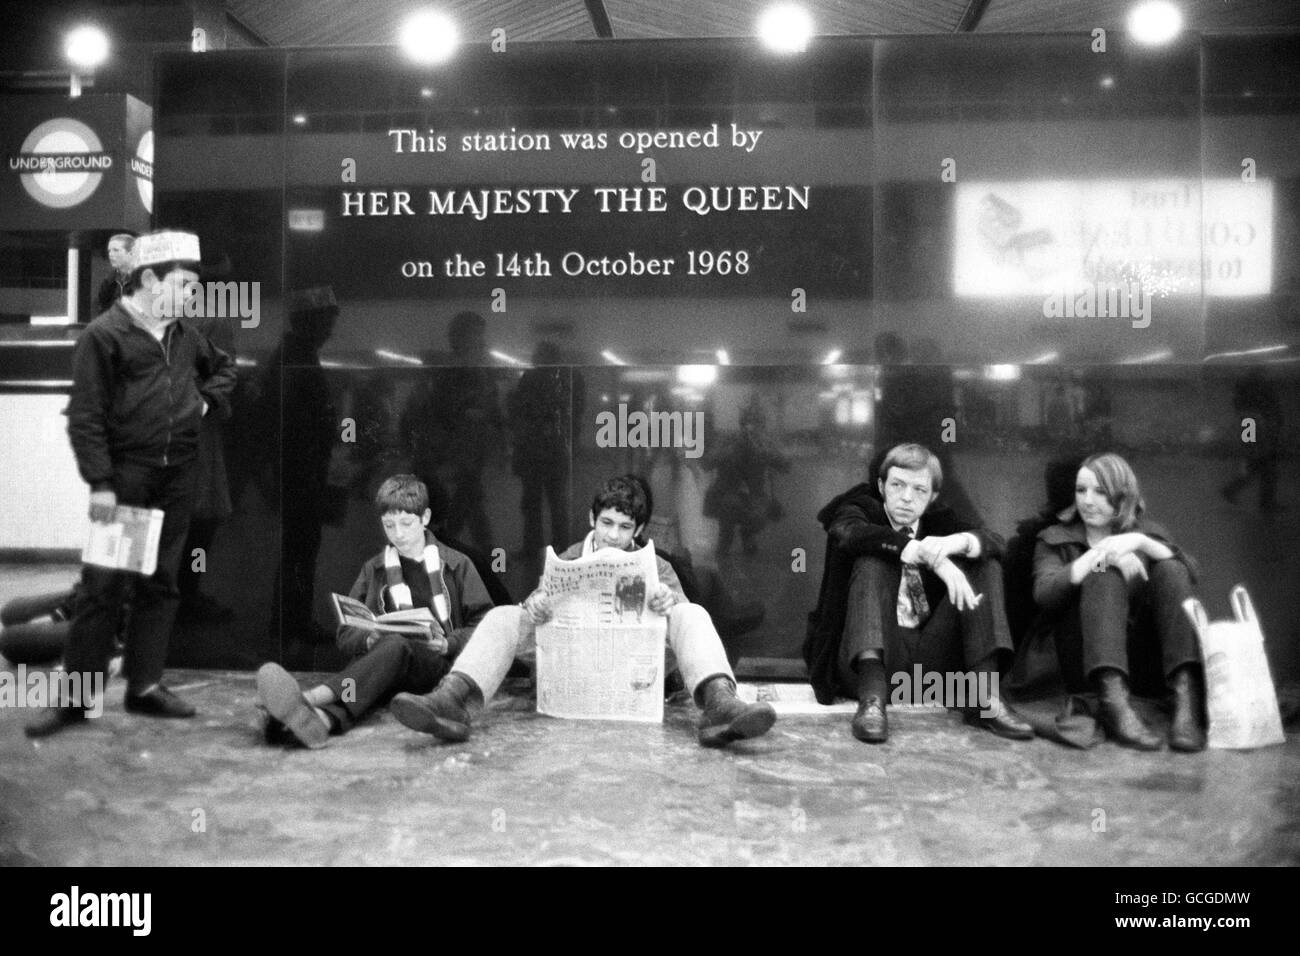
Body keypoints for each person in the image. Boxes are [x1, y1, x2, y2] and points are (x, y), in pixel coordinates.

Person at [26, 230, 236, 737]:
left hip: (176, 477)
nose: (192, 295)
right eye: (184, 284)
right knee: (103, 588)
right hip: (127, 481)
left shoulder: (186, 335)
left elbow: (224, 371)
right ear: (148, 279)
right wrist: (99, 482)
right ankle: (77, 702)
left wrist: (203, 403)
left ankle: (143, 687)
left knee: (161, 586)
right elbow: (86, 414)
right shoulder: (106, 335)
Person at [388, 475, 777, 748]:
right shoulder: (568, 559)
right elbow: (534, 613)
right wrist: (534, 606)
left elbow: (680, 621)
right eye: (606, 522)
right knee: (505, 616)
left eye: (624, 527)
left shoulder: (655, 566)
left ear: (637, 531)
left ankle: (719, 705)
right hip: (573, 663)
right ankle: (451, 701)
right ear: (592, 520)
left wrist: (668, 604)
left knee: (692, 614)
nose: (612, 534)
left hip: (632, 672)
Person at [803, 443, 1033, 744]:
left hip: (928, 673)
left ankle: (986, 698)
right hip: (866, 666)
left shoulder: (940, 519)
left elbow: (996, 542)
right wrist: (922, 553)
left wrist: (955, 545)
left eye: (919, 490)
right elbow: (849, 534)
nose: (907, 498)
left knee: (984, 563)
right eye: (897, 485)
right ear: (882, 486)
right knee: (873, 559)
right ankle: (872, 703)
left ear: (932, 496)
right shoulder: (858, 509)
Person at [255, 475, 494, 747]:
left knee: (395, 646)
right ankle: (321, 720)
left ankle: (309, 699)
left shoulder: (456, 564)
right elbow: (346, 634)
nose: (398, 534)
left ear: (425, 518)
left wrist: (447, 643)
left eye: (406, 523)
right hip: (386, 667)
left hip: (437, 670)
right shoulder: (375, 569)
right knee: (386, 654)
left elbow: (487, 626)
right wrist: (368, 638)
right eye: (389, 525)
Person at [1030, 452, 1206, 752]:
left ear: (1122, 496)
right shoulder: (1054, 538)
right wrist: (1101, 557)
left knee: (1171, 567)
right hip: (1086, 663)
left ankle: (1185, 700)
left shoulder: (1143, 533)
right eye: (1081, 490)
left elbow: (1191, 572)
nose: (1087, 500)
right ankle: (1115, 705)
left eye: (1100, 491)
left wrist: (1139, 543)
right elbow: (1045, 593)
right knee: (1104, 570)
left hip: (1142, 661)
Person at [95, 233, 135, 314]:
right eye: (109, 251)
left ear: (131, 253)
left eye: (116, 250)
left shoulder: (145, 280)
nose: (110, 254)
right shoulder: (108, 281)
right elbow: (102, 310)